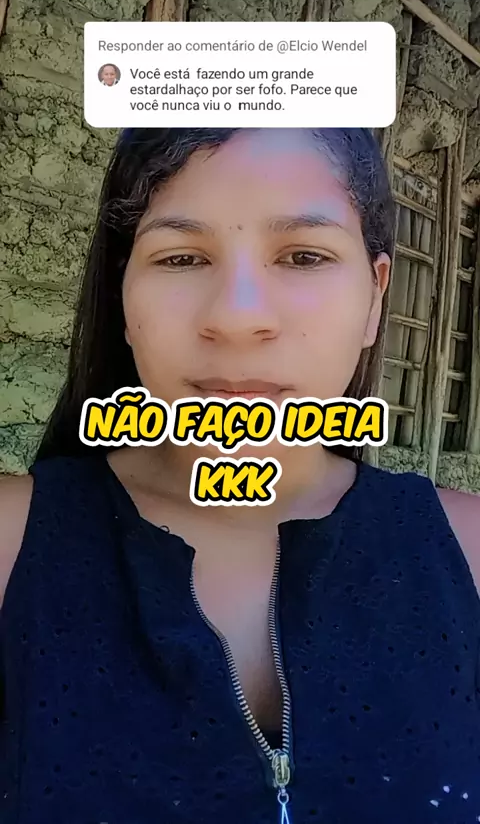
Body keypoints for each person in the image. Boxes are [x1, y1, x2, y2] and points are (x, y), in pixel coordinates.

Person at [1, 128, 479, 824]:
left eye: (305, 255)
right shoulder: (12, 544)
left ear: (375, 297)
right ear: (123, 296)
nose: (236, 317)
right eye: (182, 257)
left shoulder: (468, 551)